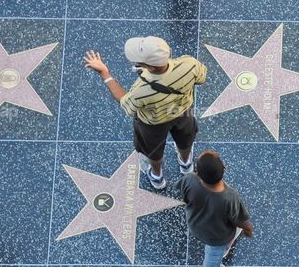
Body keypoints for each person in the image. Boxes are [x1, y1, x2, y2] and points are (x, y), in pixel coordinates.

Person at [82, 37, 207, 190]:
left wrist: (105, 73)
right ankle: (186, 163)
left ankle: (157, 176)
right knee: (186, 140)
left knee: (154, 151)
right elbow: (201, 78)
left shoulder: (141, 89)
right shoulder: (190, 64)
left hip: (153, 124)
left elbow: (126, 104)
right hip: (184, 113)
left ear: (151, 67)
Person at [173, 151, 253, 267]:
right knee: (212, 260)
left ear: (198, 173)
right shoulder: (229, 197)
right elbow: (238, 219)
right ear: (224, 167)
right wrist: (248, 228)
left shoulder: (189, 179)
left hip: (196, 225)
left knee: (218, 249)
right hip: (217, 236)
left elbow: (183, 195)